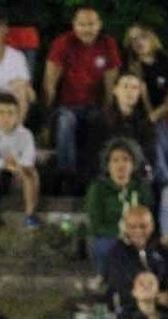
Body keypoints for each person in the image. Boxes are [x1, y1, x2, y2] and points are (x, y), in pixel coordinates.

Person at [43, 6, 121, 190]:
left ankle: (96, 175)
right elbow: (49, 84)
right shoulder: (62, 43)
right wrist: (46, 121)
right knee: (65, 122)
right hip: (67, 105)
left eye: (92, 24)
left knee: (99, 122)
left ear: (99, 25)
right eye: (82, 24)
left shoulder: (108, 44)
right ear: (74, 25)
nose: (87, 29)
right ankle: (67, 176)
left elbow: (111, 84)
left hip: (94, 105)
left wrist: (108, 109)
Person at [84, 140, 151, 270]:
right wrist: (122, 234)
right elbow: (96, 225)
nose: (121, 165)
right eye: (115, 160)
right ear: (108, 165)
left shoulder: (141, 187)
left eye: (126, 160)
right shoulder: (98, 188)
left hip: (138, 236)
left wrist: (136, 234)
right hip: (108, 236)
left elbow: (148, 216)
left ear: (134, 164)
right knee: (106, 247)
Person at [0, 93, 39, 228]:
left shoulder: (26, 134)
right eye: (1, 113)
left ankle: (30, 215)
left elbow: (29, 157)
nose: (6, 117)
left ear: (17, 116)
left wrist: (17, 166)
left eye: (10, 113)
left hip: (19, 172)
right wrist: (5, 164)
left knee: (31, 172)